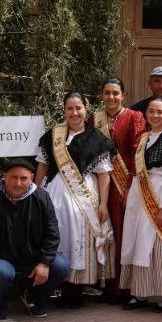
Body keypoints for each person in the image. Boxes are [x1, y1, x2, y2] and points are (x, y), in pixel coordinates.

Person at [0, 158, 71, 322]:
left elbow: (52, 233)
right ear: (5, 176)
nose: (18, 183)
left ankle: (34, 299)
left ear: (32, 178)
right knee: (0, 272)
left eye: (23, 178)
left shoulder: (42, 198)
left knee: (61, 265)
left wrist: (45, 262)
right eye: (14, 177)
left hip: (32, 255)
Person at [36, 90, 116, 307]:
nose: (74, 113)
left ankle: (74, 292)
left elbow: (104, 174)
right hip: (53, 194)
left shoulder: (96, 138)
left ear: (86, 108)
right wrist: (34, 192)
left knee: (79, 240)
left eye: (78, 108)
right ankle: (54, 286)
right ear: (64, 110)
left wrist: (103, 204)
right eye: (69, 108)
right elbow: (43, 165)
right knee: (57, 237)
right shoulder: (54, 135)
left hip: (83, 198)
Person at [121, 98, 162, 309]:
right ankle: (139, 292)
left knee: (158, 243)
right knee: (137, 240)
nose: (155, 115)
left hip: (159, 194)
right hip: (140, 193)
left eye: (160, 112)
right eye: (151, 112)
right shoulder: (144, 139)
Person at [95, 77, 146, 302]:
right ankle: (107, 284)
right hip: (103, 185)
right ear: (101, 95)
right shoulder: (95, 120)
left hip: (127, 184)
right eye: (107, 93)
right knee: (107, 233)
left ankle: (125, 288)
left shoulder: (134, 117)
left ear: (123, 95)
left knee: (125, 234)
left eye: (115, 93)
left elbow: (139, 151)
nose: (111, 97)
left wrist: (132, 184)